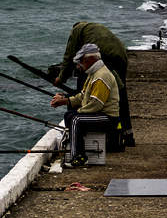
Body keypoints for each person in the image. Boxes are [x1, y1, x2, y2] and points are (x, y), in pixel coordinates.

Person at [55, 21, 133, 149]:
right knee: (120, 94)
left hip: (104, 55)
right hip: (121, 55)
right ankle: (127, 135)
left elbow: (69, 56)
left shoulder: (76, 30)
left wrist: (61, 78)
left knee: (85, 91)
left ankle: (85, 134)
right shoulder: (95, 28)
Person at [50, 43, 120, 167]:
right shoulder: (93, 74)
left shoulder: (101, 76)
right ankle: (74, 149)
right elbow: (82, 96)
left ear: (91, 60)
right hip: (100, 114)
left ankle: (79, 158)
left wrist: (79, 112)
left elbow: (95, 104)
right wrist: (64, 100)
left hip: (108, 118)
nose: (79, 65)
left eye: (81, 61)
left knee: (76, 119)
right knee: (69, 115)